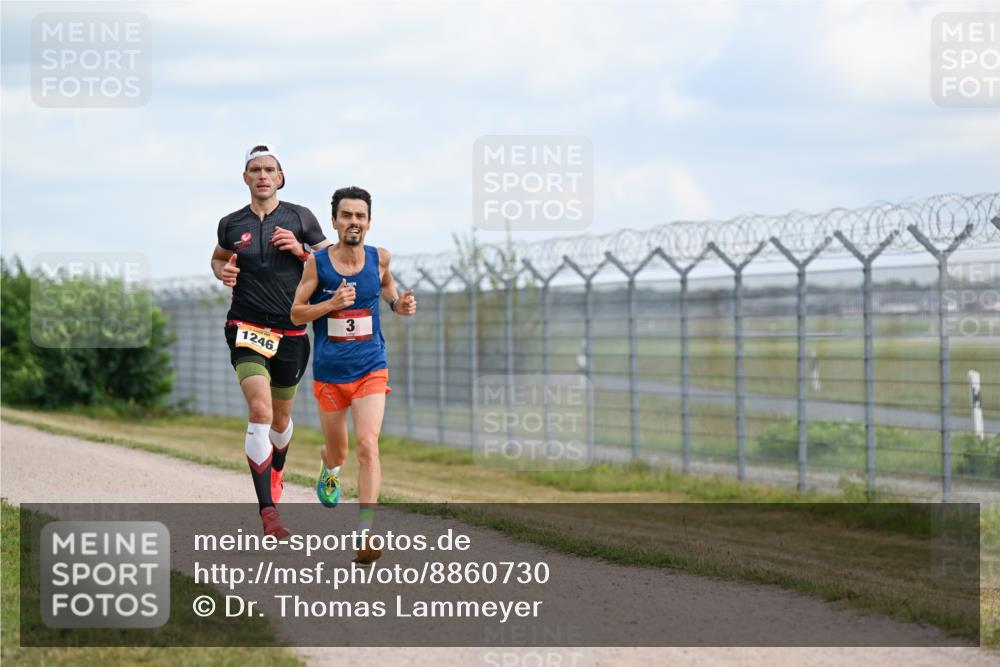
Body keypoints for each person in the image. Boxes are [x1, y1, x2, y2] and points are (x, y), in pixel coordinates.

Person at [290, 186, 416, 564]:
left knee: (367, 445)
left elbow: (389, 288)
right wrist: (330, 304)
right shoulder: (318, 264)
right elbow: (296, 313)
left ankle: (364, 532)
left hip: (370, 367)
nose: (354, 222)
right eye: (347, 216)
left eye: (360, 216)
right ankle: (329, 467)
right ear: (334, 221)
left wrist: (399, 304)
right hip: (330, 372)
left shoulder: (380, 259)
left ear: (369, 222)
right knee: (340, 451)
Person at [211, 144, 331, 538]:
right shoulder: (231, 223)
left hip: (292, 331)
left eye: (269, 169)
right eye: (255, 169)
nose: (262, 175)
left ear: (280, 177)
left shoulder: (300, 217)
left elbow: (331, 264)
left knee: (280, 420)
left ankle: (277, 466)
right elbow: (218, 258)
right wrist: (223, 273)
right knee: (259, 410)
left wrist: (300, 251)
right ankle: (268, 512)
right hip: (246, 327)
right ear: (245, 178)